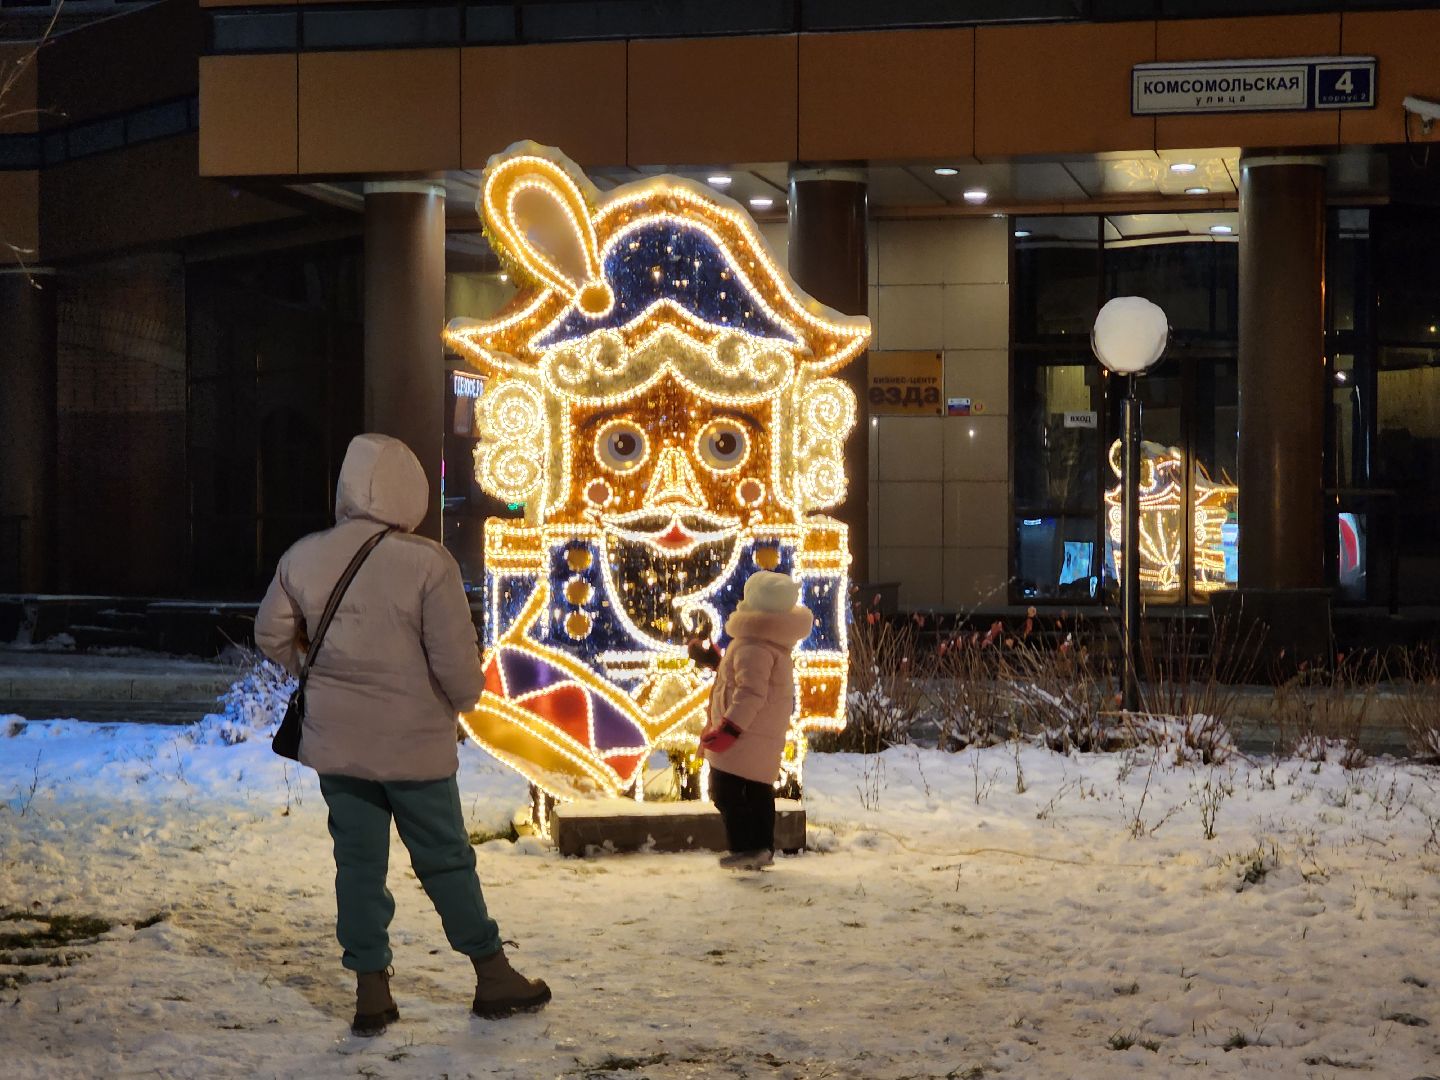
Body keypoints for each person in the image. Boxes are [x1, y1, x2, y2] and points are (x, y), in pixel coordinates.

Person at [255, 433, 550, 1037]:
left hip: (338, 743)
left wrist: (315, 670)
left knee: (357, 864)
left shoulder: (304, 556)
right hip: (415, 746)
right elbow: (456, 665)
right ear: (409, 490)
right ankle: (491, 975)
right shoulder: (427, 562)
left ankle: (370, 994)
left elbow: (271, 635)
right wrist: (464, 702)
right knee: (445, 860)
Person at [700, 571, 813, 871]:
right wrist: (715, 662)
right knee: (757, 791)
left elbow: (749, 693)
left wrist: (729, 729)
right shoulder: (767, 643)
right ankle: (760, 846)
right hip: (759, 738)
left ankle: (747, 847)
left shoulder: (753, 646)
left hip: (743, 738)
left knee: (727, 791)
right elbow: (739, 677)